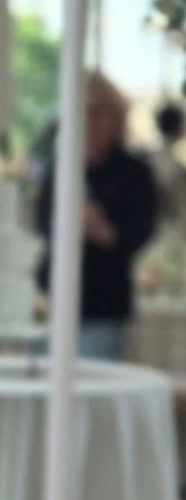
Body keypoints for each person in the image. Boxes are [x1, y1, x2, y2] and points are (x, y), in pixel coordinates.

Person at [36, 71, 158, 360]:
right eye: (79, 112)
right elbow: (41, 221)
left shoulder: (134, 172)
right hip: (55, 298)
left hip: (104, 304)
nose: (87, 122)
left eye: (95, 112)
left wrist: (104, 232)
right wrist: (67, 225)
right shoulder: (61, 168)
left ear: (116, 117)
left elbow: (141, 231)